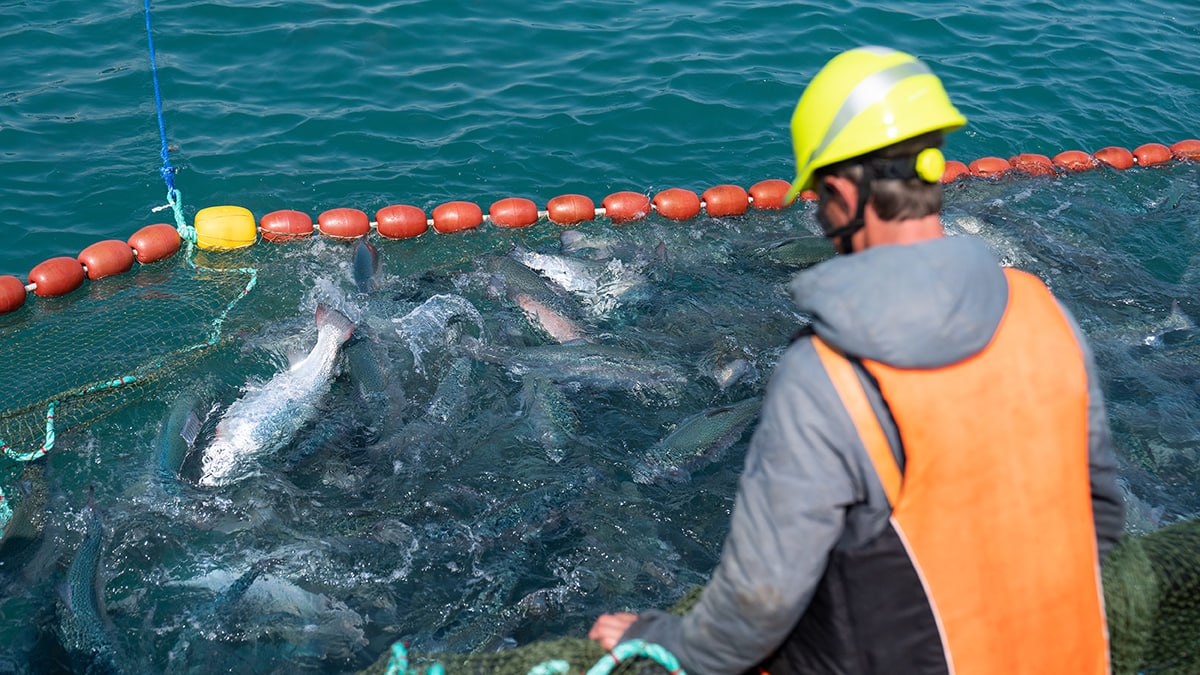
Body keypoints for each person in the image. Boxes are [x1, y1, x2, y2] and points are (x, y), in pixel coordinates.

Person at [590, 46, 1125, 674]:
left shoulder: (830, 371)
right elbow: (1101, 515)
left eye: (817, 196)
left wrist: (660, 634)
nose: (817, 212)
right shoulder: (1043, 311)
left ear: (842, 192)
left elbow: (756, 609)